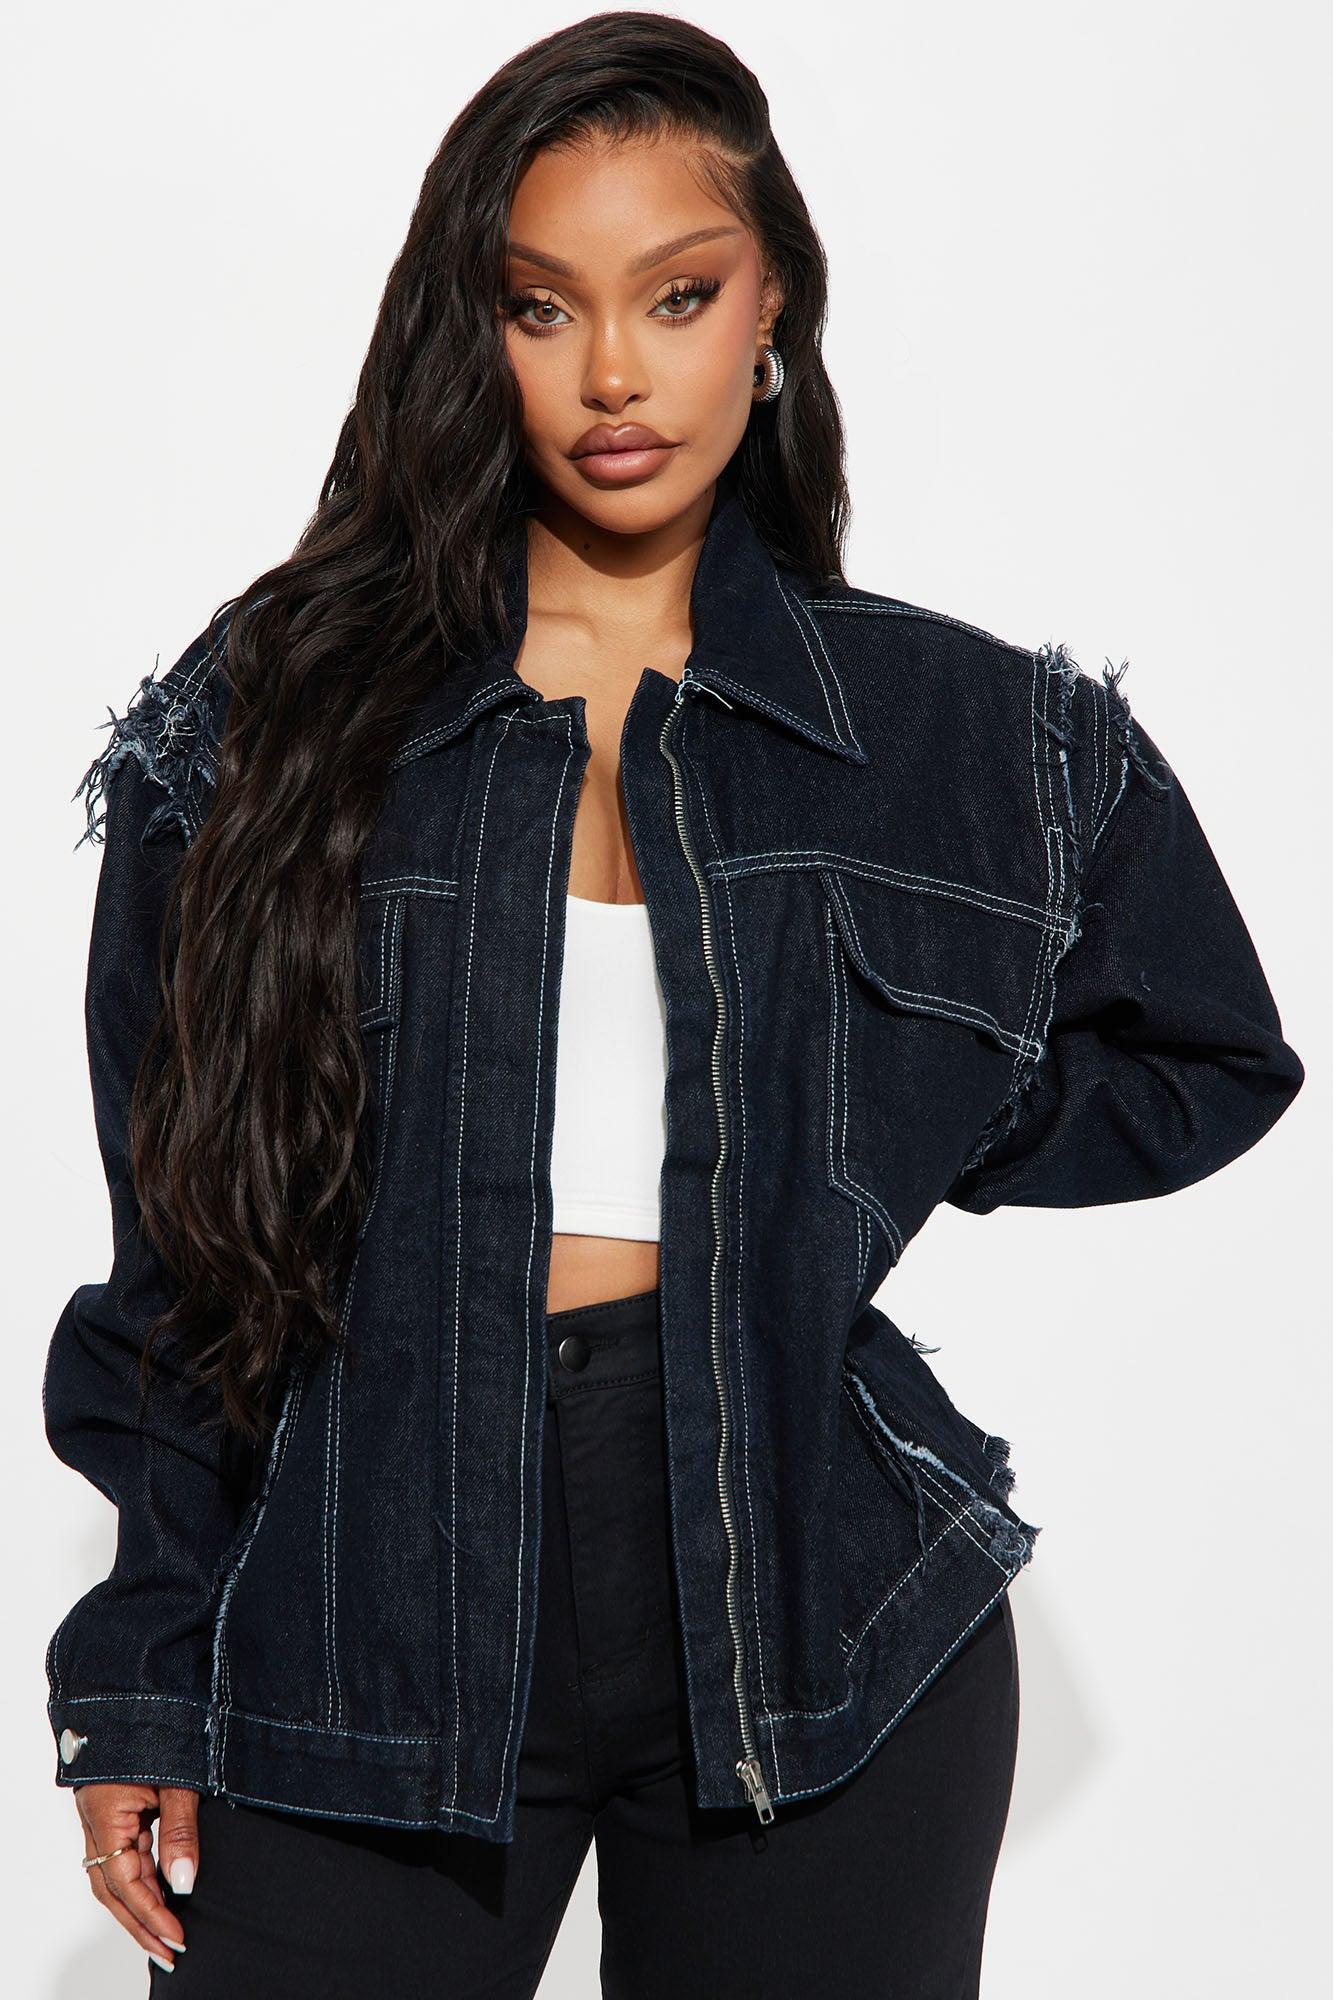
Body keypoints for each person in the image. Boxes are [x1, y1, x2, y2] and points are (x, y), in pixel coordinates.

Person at [43, 13, 1304, 1997]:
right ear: (472, 332)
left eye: (678, 295)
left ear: (771, 304)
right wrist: (139, 1666)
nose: (613, 373)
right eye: (541, 307)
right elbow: (177, 1256)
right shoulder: (272, 719)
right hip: (358, 1621)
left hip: (819, 1625)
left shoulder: (960, 734)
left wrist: (871, 1118)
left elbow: (1209, 1053)